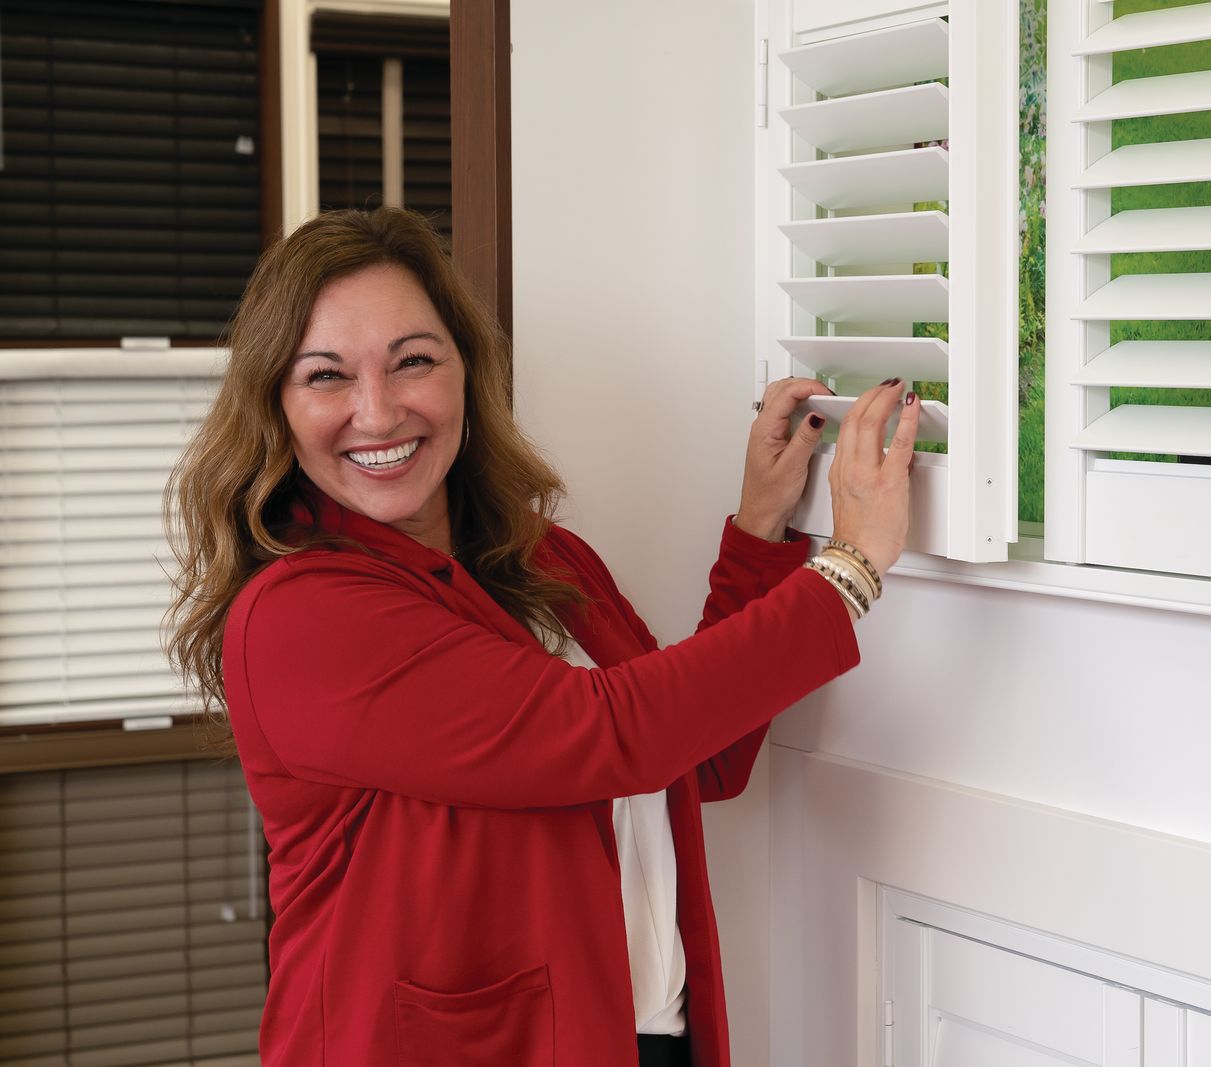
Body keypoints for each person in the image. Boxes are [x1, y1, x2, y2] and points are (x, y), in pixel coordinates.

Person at [165, 207, 920, 1067]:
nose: (376, 411)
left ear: (465, 372)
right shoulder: (300, 614)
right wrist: (850, 568)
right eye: (326, 375)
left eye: (414, 360)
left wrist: (759, 534)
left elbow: (694, 755)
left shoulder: (541, 557)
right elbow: (607, 730)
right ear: (277, 403)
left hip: (637, 1038)